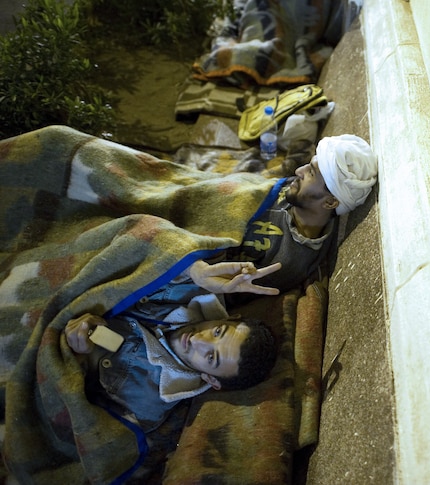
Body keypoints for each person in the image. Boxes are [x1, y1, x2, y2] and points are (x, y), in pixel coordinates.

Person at [63, 269, 280, 433]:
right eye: (217, 332)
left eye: (211, 357)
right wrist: (192, 267)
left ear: (211, 380)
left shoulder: (148, 404)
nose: (197, 339)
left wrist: (78, 358)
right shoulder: (198, 285)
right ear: (230, 318)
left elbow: (78, 417)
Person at [189, 134, 379, 294]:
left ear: (330, 202)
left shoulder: (287, 261)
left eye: (311, 172)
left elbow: (222, 285)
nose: (299, 171)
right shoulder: (296, 193)